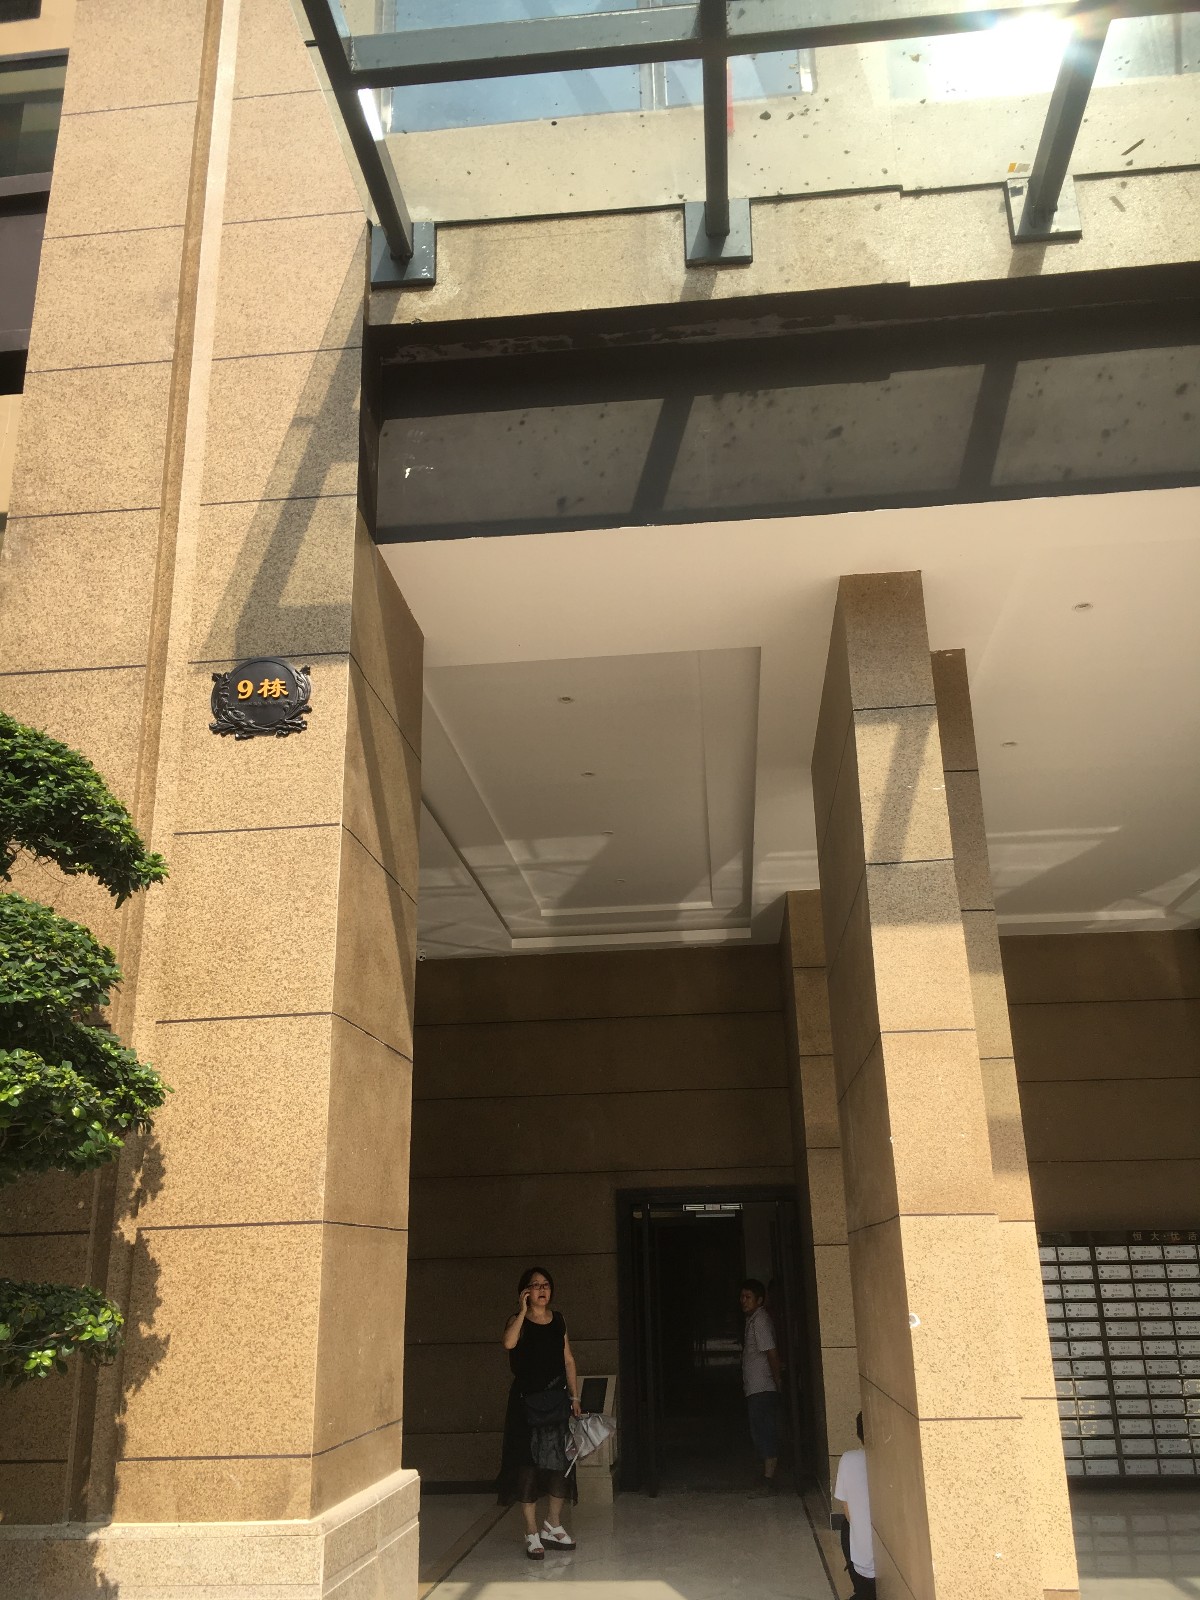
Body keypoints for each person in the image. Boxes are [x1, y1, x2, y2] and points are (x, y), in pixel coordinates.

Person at [496, 1266, 582, 1561]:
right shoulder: (517, 1321)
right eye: (535, 1285)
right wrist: (522, 1312)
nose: (542, 1289)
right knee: (528, 1465)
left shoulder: (559, 1320)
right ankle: (531, 1531)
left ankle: (553, 1524)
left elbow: (568, 1359)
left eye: (546, 1284)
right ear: (525, 1292)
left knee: (560, 1464)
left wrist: (575, 1396)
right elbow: (508, 1343)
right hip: (526, 1404)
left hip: (556, 1401)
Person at [740, 1277, 783, 1496]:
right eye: (742, 1297)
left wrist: (777, 1380)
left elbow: (771, 1353)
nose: (743, 1301)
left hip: (763, 1386)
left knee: (765, 1431)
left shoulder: (761, 1321)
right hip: (755, 1387)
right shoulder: (753, 1320)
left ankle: (769, 1480)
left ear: (759, 1300)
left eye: (748, 1297)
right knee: (759, 1431)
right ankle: (766, 1476)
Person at [834, 1412, 876, 1600]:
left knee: (846, 1526)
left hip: (864, 1568)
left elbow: (849, 1514)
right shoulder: (897, 1463)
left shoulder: (848, 1460)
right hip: (898, 1568)